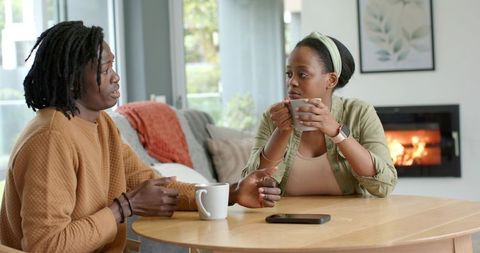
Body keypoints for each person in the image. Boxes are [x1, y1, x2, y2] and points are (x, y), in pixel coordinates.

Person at [0, 21, 281, 252]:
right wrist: (123, 208)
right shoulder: (51, 138)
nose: (116, 77)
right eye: (105, 69)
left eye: (114, 66)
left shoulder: (102, 126)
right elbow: (46, 246)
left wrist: (230, 193)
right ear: (73, 80)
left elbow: (148, 184)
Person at [242, 32, 397, 198]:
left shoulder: (359, 112)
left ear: (331, 80)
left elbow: (384, 185)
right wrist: (282, 131)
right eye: (289, 74)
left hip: (352, 220)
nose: (291, 82)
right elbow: (249, 186)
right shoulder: (273, 116)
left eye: (302, 74)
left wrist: (337, 131)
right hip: (287, 221)